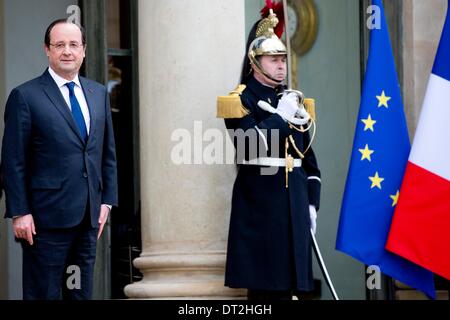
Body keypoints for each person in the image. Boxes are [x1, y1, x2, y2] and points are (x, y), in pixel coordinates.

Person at [1, 19, 118, 300]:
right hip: (44, 220)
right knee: (45, 294)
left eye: (74, 45)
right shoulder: (25, 96)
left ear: (84, 51)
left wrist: (106, 202)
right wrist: (20, 212)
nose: (67, 51)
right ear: (47, 50)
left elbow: (107, 153)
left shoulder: (98, 93)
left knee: (79, 293)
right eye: (60, 45)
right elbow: (12, 161)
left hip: (88, 218)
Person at [218, 8, 321, 300]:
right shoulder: (239, 100)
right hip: (261, 210)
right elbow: (248, 146)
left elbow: (309, 162)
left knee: (293, 291)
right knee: (266, 294)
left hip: (294, 208)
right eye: (274, 60)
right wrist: (279, 118)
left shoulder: (293, 101)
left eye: (283, 60)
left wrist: (311, 202)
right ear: (255, 63)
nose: (281, 66)